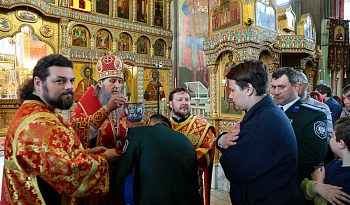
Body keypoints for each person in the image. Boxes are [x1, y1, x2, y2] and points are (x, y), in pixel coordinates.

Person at [1, 54, 119, 205]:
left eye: (71, 81)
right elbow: (68, 174)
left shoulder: (36, 112)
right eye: (60, 81)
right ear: (38, 83)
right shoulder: (37, 123)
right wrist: (105, 159)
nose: (69, 86)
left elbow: (48, 158)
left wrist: (86, 153)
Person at [216, 60, 303, 204]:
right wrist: (224, 139)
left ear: (249, 89)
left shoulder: (258, 124)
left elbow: (233, 168)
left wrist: (223, 144)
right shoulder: (266, 112)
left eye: (232, 90)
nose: (230, 96)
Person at [110, 114, 202, 205]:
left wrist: (116, 188)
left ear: (149, 121)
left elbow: (125, 163)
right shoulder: (186, 141)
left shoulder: (138, 132)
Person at [272, 67, 328, 182]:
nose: (276, 92)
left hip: (295, 181)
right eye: (274, 87)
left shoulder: (314, 115)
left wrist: (272, 154)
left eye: (281, 87)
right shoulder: (269, 112)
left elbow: (315, 153)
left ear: (296, 87)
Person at [168, 87, 216, 205]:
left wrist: (180, 161)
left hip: (191, 183)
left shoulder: (202, 127)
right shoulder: (163, 125)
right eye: (180, 100)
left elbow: (208, 150)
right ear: (170, 104)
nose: (184, 103)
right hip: (166, 183)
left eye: (187, 100)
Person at [71, 55, 128, 151]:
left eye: (120, 81)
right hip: (99, 160)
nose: (117, 86)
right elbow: (74, 135)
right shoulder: (84, 106)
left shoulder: (123, 104)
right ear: (100, 83)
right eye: (112, 81)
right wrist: (107, 109)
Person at [301, 117, 350, 205]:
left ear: (341, 144)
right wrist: (317, 187)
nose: (330, 138)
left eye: (332, 136)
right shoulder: (331, 165)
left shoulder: (346, 178)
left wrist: (318, 182)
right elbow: (303, 186)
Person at [298, 72, 334, 165]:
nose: (295, 89)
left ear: (306, 86)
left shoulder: (322, 107)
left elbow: (329, 136)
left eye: (298, 85)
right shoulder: (283, 107)